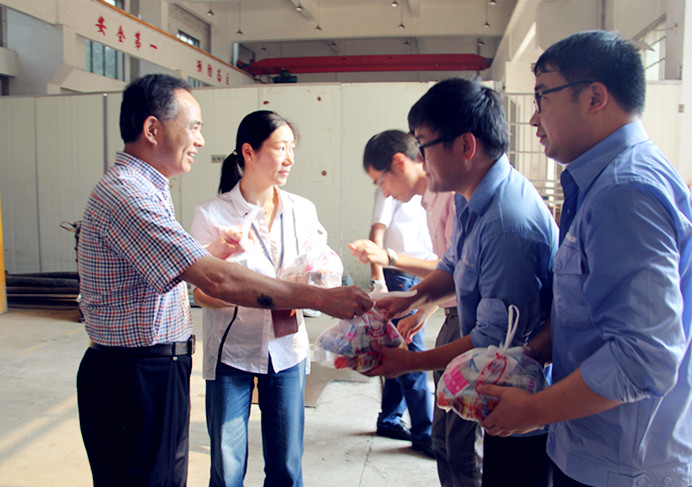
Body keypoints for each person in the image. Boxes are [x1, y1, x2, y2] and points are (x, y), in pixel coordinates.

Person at [75, 74, 372, 487]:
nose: (200, 140)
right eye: (193, 127)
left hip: (159, 367)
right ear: (152, 129)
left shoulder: (150, 189)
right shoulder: (131, 195)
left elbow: (188, 268)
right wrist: (320, 299)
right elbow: (214, 281)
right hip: (137, 373)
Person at [476, 30, 692, 487]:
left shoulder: (626, 192)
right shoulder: (603, 183)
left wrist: (532, 411)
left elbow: (644, 357)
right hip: (600, 447)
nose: (534, 118)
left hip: (624, 464)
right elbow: (591, 308)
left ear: (595, 97)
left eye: (543, 97)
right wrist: (535, 351)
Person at [368, 77, 558, 487]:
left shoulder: (507, 223)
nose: (421, 159)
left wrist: (408, 362)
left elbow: (492, 338)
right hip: (498, 381)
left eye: (424, 146)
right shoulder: (469, 197)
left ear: (466, 146)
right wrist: (410, 298)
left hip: (521, 395)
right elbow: (454, 264)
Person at [189, 110, 332, 487]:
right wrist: (248, 294)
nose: (290, 158)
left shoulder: (301, 210)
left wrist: (319, 280)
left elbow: (319, 263)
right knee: (227, 467)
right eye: (280, 148)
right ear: (248, 152)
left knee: (286, 466)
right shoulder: (212, 215)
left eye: (292, 148)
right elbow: (201, 292)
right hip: (231, 353)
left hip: (287, 350)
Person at [349, 129, 482, 485]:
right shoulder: (428, 201)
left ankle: (412, 425)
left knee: (460, 444)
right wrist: (424, 305)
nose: (383, 192)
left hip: (464, 315)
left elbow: (455, 268)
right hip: (441, 302)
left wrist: (390, 259)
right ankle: (400, 421)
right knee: (446, 440)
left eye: (381, 181)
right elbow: (451, 268)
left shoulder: (453, 197)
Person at [360, 179, 437, 458]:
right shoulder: (389, 187)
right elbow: (376, 233)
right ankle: (424, 433)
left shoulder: (431, 189)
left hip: (426, 271)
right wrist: (378, 281)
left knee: (399, 346)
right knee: (412, 351)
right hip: (399, 275)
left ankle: (390, 419)